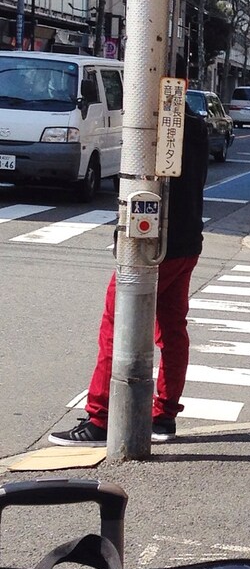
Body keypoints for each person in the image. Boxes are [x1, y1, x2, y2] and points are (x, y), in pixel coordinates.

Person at [49, 97, 210, 446]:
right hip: (187, 242)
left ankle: (101, 418)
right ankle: (164, 416)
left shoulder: (154, 125)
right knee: (172, 330)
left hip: (152, 245)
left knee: (116, 322)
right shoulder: (197, 125)